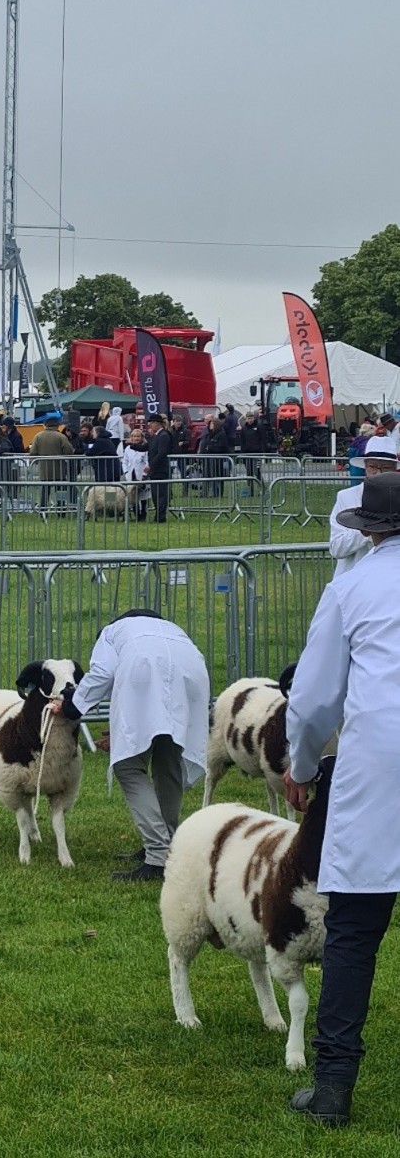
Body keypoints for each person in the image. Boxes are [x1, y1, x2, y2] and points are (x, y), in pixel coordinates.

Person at [283, 472, 400, 1128]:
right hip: (378, 762)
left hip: (377, 764)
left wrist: (301, 766)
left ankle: (332, 1088)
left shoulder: (351, 587)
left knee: (353, 929)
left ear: (369, 530)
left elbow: (314, 698)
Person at [48, 608, 210, 881]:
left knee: (127, 767)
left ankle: (158, 855)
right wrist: (123, 730)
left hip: (148, 673)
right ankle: (169, 844)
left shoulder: (112, 633)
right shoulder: (170, 629)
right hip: (191, 675)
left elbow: (102, 674)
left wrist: (71, 707)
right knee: (168, 759)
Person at [327, 434, 397, 576]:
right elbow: (336, 548)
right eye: (373, 467)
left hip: (391, 577)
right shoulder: (346, 497)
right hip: (353, 577)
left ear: (395, 469)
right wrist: (369, 530)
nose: (378, 472)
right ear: (365, 466)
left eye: (386, 468)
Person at [28, 415, 74, 510]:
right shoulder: (61, 436)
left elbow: (32, 452)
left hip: (44, 469)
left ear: (45, 425)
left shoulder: (38, 436)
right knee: (60, 491)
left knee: (45, 491)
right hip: (59, 469)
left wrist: (34, 461)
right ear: (57, 426)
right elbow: (68, 450)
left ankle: (43, 509)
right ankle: (61, 509)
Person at [144, 414, 172, 523]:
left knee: (160, 494)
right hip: (155, 470)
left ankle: (161, 516)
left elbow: (161, 453)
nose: (150, 425)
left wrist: (150, 465)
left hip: (160, 469)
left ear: (157, 423)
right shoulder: (156, 436)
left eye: (151, 423)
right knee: (155, 494)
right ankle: (158, 514)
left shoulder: (163, 435)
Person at [122, 427, 149, 522]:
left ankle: (143, 513)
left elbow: (147, 461)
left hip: (141, 474)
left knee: (143, 496)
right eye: (134, 436)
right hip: (131, 474)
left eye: (138, 436)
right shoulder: (128, 448)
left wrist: (145, 474)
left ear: (142, 437)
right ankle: (136, 514)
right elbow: (125, 461)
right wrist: (126, 471)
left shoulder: (145, 448)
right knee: (133, 495)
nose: (136, 438)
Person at [238, 410, 265, 492]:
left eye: (251, 418)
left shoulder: (259, 427)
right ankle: (250, 490)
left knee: (257, 471)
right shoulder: (244, 428)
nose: (250, 420)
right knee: (249, 472)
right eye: (248, 418)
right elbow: (242, 441)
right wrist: (243, 451)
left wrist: (261, 449)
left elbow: (263, 439)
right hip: (247, 453)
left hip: (257, 453)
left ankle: (263, 488)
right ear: (246, 419)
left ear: (254, 418)